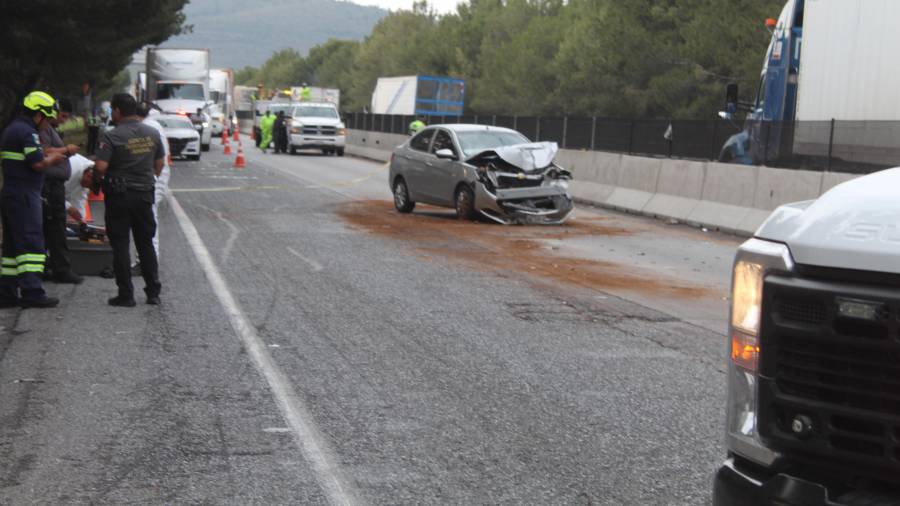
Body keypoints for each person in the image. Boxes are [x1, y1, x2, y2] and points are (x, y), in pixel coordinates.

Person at [0, 91, 70, 308]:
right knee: (31, 243)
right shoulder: (27, 132)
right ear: (38, 114)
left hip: (13, 193)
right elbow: (37, 163)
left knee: (12, 247)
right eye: (47, 118)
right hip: (24, 195)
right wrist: (55, 158)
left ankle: (7, 293)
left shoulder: (14, 128)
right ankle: (32, 292)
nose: (47, 124)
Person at [93, 94, 164, 307]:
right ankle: (153, 292)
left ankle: (126, 294)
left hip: (119, 196)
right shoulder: (152, 133)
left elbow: (100, 167)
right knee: (145, 243)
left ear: (116, 111)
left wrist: (97, 180)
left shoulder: (112, 136)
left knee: (121, 244)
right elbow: (159, 165)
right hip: (144, 194)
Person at [39, 97, 83, 284]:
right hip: (49, 186)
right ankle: (60, 270)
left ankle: (50, 266)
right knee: (55, 228)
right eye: (62, 115)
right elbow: (45, 152)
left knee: (53, 228)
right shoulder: (44, 130)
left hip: (54, 186)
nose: (64, 120)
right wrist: (66, 150)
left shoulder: (50, 129)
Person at [135, 102, 170, 266]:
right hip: (155, 176)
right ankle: (148, 260)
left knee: (147, 220)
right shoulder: (152, 125)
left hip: (152, 178)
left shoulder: (148, 127)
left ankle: (148, 261)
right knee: (147, 219)